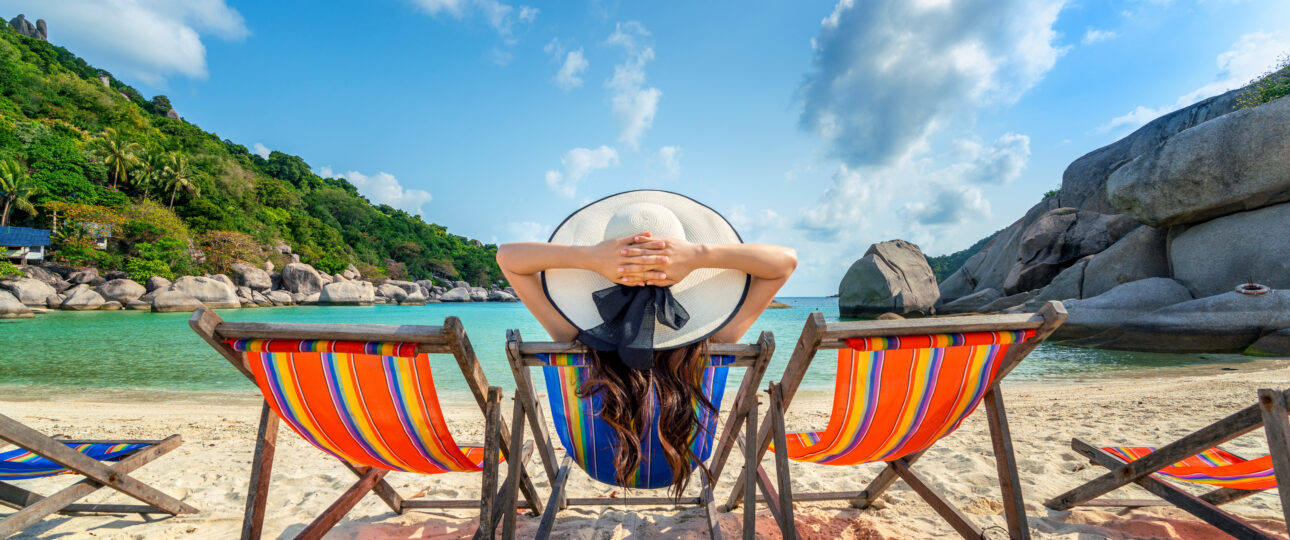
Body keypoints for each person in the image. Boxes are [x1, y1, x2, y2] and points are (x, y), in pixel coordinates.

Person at [496, 190, 796, 496]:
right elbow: (785, 263)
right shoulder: (714, 338)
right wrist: (698, 255)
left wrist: (590, 257)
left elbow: (506, 257)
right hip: (681, 461)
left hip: (598, 464)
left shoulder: (571, 334)